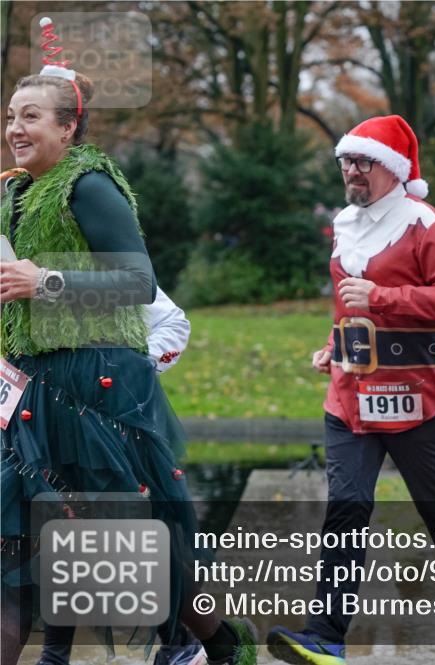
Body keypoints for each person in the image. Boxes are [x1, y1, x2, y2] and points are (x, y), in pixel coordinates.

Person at [0, 19, 256, 665]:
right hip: (30, 387)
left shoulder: (91, 185)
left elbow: (139, 281)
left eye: (31, 116)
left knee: (121, 539)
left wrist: (47, 280)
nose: (14, 129)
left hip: (99, 386)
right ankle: (204, 646)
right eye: (9, 116)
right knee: (41, 535)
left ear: (68, 126)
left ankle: (210, 646)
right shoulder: (16, 197)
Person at [266, 115, 435, 665]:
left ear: (391, 170)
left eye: (362, 162)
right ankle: (325, 635)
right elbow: (349, 301)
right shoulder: (347, 223)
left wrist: (385, 298)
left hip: (420, 394)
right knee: (345, 507)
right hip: (352, 394)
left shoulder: (426, 224)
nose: (350, 171)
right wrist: (333, 344)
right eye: (345, 161)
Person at [34, 286, 202, 665]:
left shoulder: (98, 261)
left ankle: (183, 640)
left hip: (104, 420)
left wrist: (129, 372)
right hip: (34, 415)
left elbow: (173, 323)